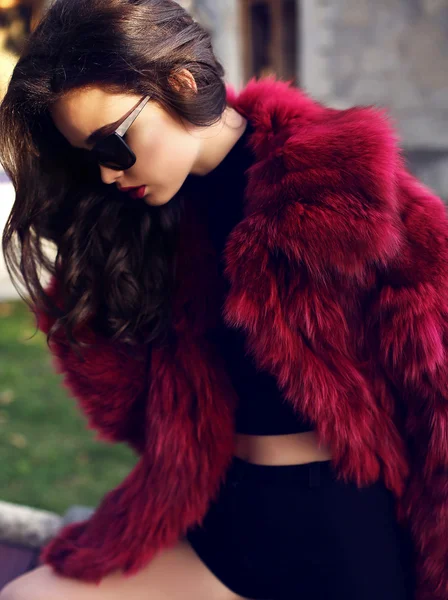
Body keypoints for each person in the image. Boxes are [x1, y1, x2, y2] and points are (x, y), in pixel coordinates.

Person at [0, 1, 447, 599]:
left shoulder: (349, 191)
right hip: (225, 516)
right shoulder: (147, 218)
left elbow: (438, 390)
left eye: (113, 145)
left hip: (342, 532)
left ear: (181, 82)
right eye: (90, 156)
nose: (106, 173)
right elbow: (126, 402)